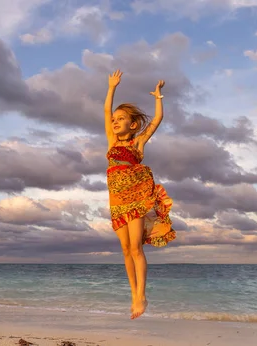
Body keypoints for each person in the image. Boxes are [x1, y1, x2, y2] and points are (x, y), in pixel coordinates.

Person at [104, 69, 177, 320]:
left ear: (132, 124)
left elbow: (156, 121)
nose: (115, 121)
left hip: (135, 198)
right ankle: (133, 293)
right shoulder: (112, 141)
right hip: (116, 199)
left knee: (136, 247)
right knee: (125, 249)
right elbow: (105, 112)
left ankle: (142, 295)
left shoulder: (138, 144)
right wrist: (111, 87)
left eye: (120, 118)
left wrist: (158, 98)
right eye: (114, 118)